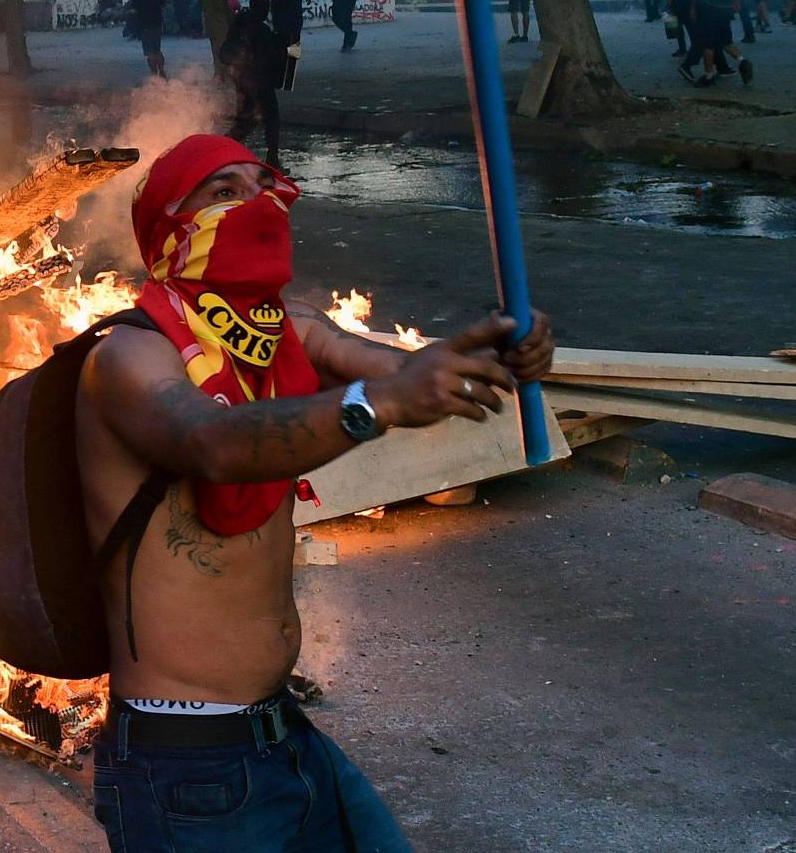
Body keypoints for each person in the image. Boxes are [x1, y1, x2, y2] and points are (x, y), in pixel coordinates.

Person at [76, 136, 555, 853]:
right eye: (224, 192)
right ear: (170, 229)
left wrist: (493, 353)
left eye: (263, 185)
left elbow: (400, 368)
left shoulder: (284, 329)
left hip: (281, 734)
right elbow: (215, 443)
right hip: (185, 768)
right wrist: (377, 404)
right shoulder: (125, 356)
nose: (258, 202)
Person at [216, 0, 286, 167]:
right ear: (262, 8)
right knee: (271, 117)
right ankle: (272, 157)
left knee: (245, 119)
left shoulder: (239, 24)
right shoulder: (259, 29)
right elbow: (266, 57)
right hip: (257, 81)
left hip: (241, 79)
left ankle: (222, 150)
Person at [125, 0, 169, 80]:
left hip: (145, 24)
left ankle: (154, 74)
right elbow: (163, 3)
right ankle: (162, 71)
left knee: (149, 51)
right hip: (157, 23)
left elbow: (133, 8)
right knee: (157, 49)